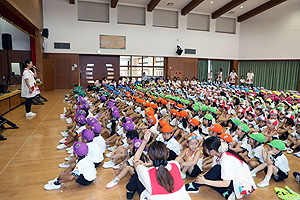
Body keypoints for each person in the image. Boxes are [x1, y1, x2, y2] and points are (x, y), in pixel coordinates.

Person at [185, 136, 256, 200]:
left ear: (212, 151)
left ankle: (193, 186)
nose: (203, 150)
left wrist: (204, 181)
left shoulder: (226, 158)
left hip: (242, 188)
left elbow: (226, 183)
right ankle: (226, 192)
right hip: (235, 181)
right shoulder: (219, 154)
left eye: (205, 149)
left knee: (212, 177)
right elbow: (213, 172)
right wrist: (203, 176)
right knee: (213, 174)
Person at [133, 130, 191, 200]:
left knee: (138, 179)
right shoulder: (175, 164)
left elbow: (135, 161)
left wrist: (145, 141)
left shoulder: (146, 172)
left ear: (148, 157)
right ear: (167, 155)